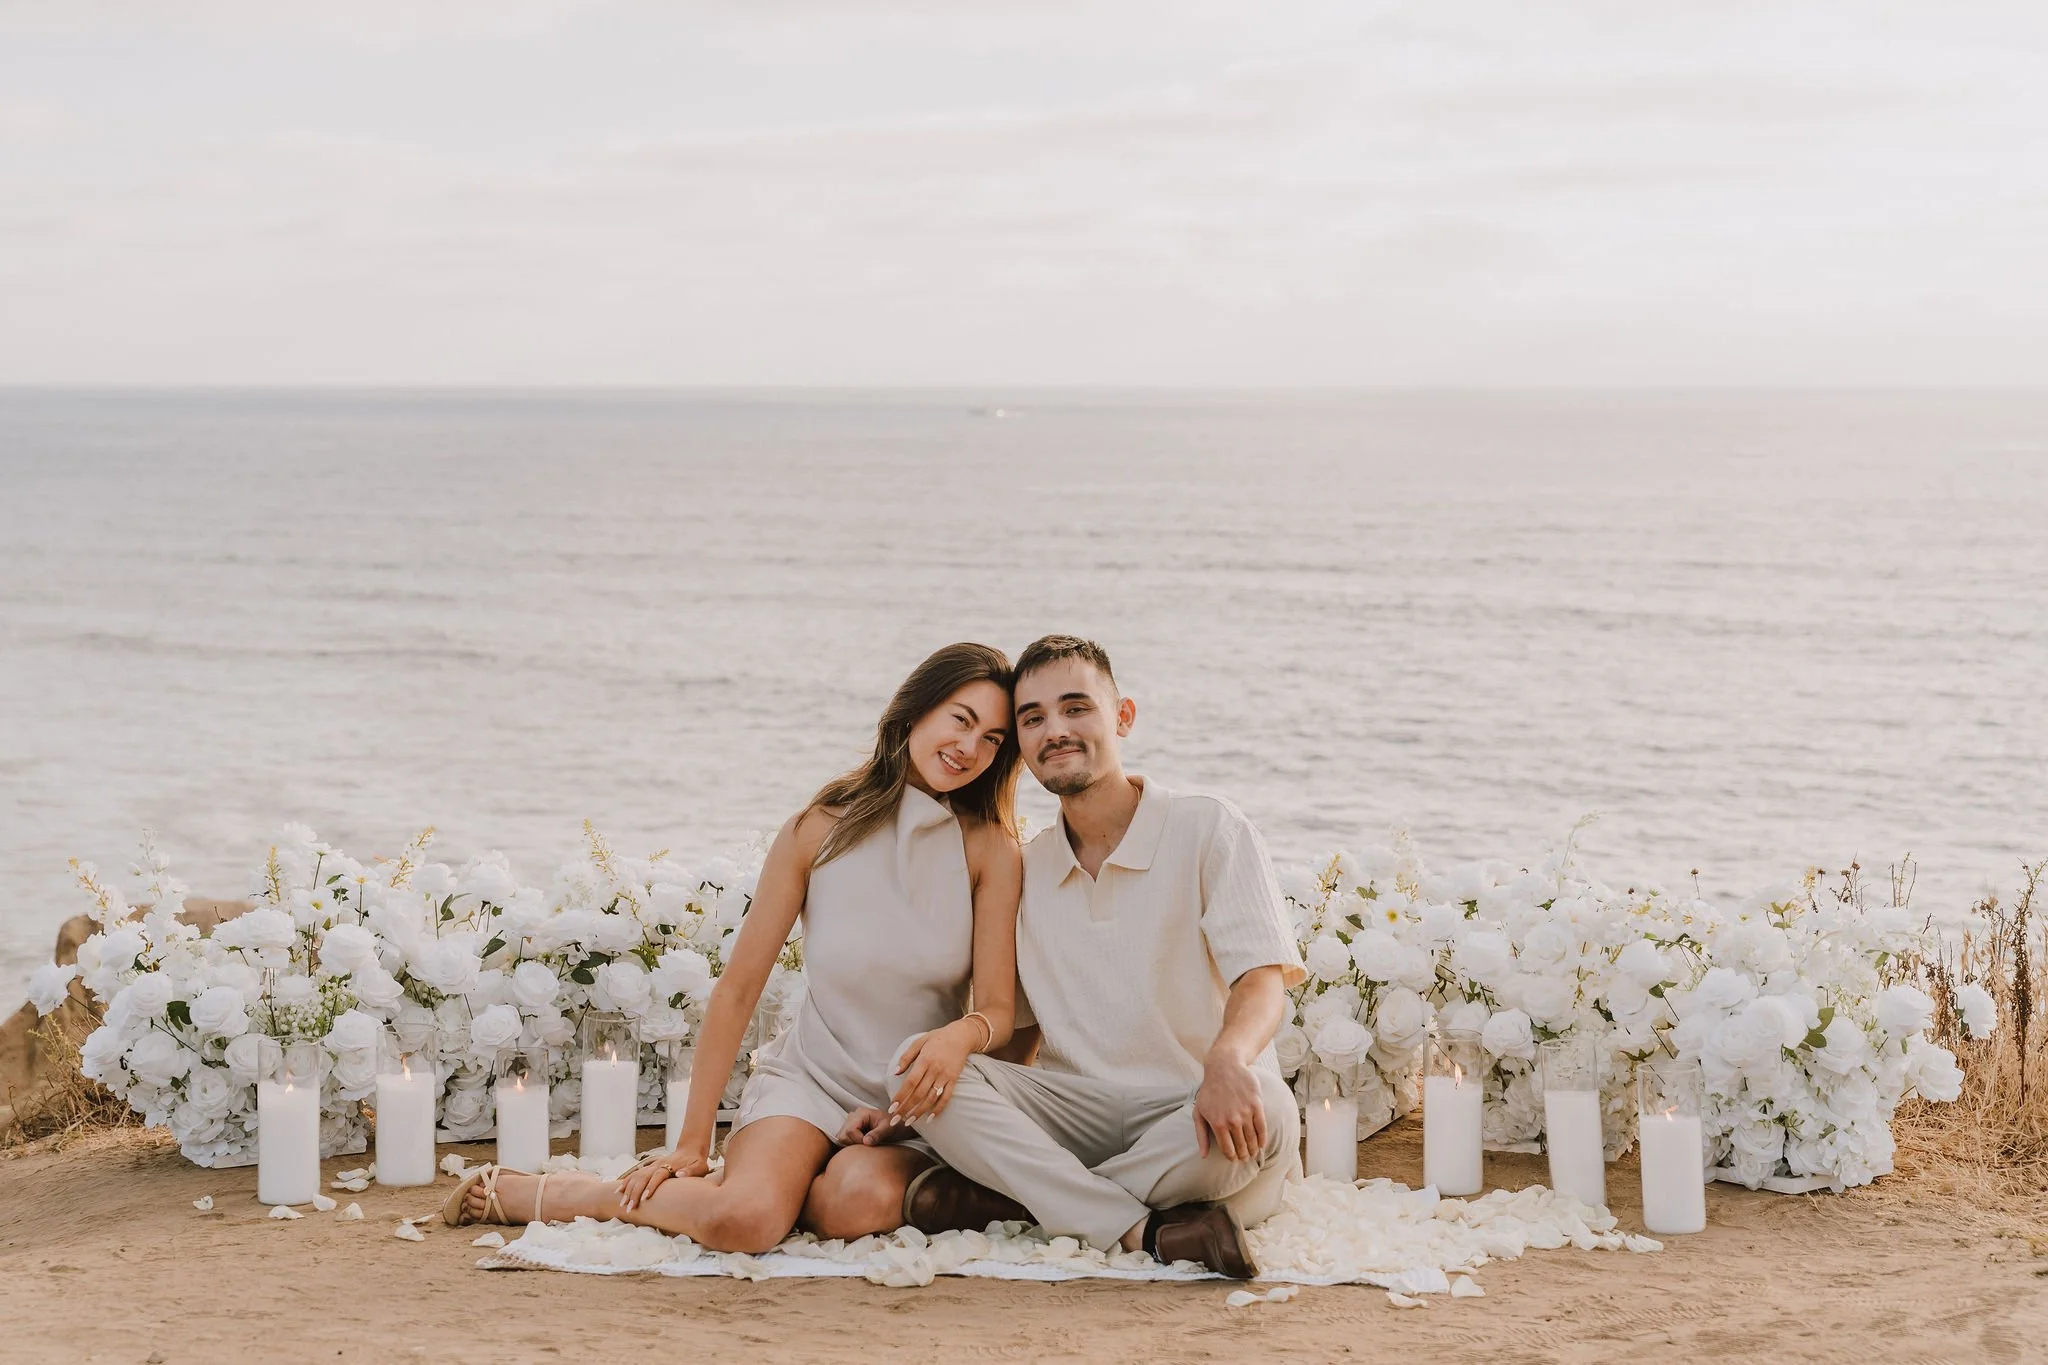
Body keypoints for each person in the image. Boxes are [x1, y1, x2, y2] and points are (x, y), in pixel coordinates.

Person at [446, 642, 1028, 1250]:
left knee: (855, 1202)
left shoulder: (991, 850)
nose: (970, 747)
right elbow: (739, 989)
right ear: (914, 713)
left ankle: (783, 1187)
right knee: (744, 1221)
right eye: (961, 720)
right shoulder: (817, 829)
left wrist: (943, 1062)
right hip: (810, 1081)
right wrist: (692, 1143)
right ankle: (572, 1194)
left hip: (917, 1101)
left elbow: (996, 1011)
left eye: (992, 739)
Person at [894, 634, 1304, 1278]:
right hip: (1075, 1113)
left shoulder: (1209, 827)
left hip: (1191, 1108)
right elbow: (1018, 1035)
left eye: (1076, 708)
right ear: (1021, 743)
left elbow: (1261, 980)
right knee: (915, 1066)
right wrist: (926, 1107)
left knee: (1271, 1110)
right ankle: (1148, 1226)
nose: (1055, 730)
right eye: (1032, 718)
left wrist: (1227, 1060)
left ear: (1123, 716)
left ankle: (1020, 1201)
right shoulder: (1025, 867)